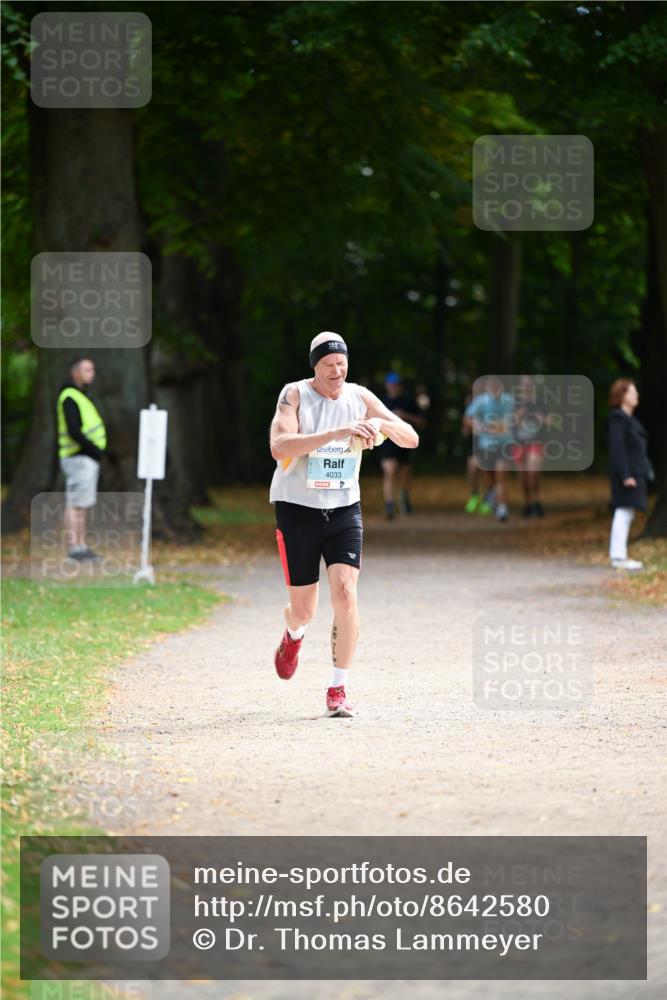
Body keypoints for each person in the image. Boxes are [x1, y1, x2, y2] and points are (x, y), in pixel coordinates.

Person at [269, 332, 419, 717]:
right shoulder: (295, 395)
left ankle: (338, 689)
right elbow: (279, 446)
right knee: (304, 609)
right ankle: (293, 635)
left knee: (347, 595)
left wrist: (379, 428)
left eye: (342, 364)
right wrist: (338, 433)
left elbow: (411, 438)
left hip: (343, 511)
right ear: (314, 367)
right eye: (328, 365)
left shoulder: (360, 396)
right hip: (297, 508)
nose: (337, 371)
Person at [57, 358, 107, 561]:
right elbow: (73, 430)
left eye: (93, 369)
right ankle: (75, 549)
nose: (91, 373)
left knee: (81, 504)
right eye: (87, 369)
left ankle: (81, 546)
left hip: (83, 458)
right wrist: (94, 450)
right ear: (75, 373)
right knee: (76, 504)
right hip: (78, 458)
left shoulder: (79, 396)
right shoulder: (70, 397)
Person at [607, 379, 650, 571]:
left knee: (627, 513)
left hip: (635, 473)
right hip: (626, 475)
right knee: (623, 512)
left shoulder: (630, 420)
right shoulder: (617, 420)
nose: (636, 395)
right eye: (632, 392)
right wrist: (625, 475)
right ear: (623, 396)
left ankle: (620, 554)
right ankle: (618, 556)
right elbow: (617, 450)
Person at [464, 375, 514, 521]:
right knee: (489, 478)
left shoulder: (509, 401)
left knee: (501, 474)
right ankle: (490, 495)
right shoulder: (481, 402)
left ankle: (502, 508)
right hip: (486, 446)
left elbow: (518, 416)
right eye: (491, 387)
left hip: (504, 445)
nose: (494, 390)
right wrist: (476, 425)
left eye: (497, 387)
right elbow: (467, 419)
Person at [376, 372, 425, 518]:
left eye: (396, 384)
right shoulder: (380, 402)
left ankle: (404, 498)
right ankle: (390, 504)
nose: (393, 387)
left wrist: (405, 416)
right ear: (386, 385)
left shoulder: (408, 401)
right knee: (390, 471)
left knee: (404, 474)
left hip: (405, 441)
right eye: (391, 384)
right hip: (387, 442)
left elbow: (422, 421)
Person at [511, 374, 546, 517]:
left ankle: (537, 501)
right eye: (523, 384)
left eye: (529, 384)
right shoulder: (515, 403)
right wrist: (518, 416)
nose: (526, 386)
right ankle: (528, 503)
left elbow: (550, 420)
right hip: (519, 444)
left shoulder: (540, 402)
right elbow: (510, 422)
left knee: (533, 473)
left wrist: (540, 418)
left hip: (535, 442)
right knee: (523, 477)